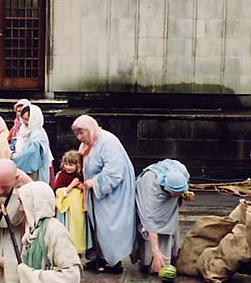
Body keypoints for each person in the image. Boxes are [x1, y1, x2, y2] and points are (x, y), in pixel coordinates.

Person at [72, 115, 136, 274]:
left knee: (110, 226)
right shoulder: (89, 144)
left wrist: (95, 182)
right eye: (77, 134)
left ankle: (113, 260)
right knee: (97, 225)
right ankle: (98, 257)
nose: (80, 138)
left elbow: (114, 172)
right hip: (96, 194)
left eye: (82, 133)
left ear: (90, 129)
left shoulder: (108, 142)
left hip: (112, 195)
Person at [135, 159, 193, 274]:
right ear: (167, 188)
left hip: (168, 186)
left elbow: (183, 187)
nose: (177, 196)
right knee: (151, 226)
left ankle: (171, 255)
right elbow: (151, 223)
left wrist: (185, 194)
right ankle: (149, 260)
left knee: (170, 220)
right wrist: (155, 251)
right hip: (148, 187)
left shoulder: (181, 171)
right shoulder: (150, 193)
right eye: (175, 194)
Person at [53, 150, 87, 254]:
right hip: (67, 211)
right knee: (67, 229)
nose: (68, 167)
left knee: (78, 229)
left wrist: (81, 187)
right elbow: (58, 192)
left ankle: (77, 249)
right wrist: (71, 186)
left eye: (71, 165)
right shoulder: (62, 176)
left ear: (78, 165)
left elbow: (83, 188)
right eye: (66, 164)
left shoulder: (80, 175)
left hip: (77, 210)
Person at [12, 104, 54, 183]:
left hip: (35, 173)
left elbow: (32, 154)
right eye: (23, 119)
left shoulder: (39, 134)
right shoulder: (22, 130)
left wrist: (14, 160)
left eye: (28, 120)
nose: (25, 122)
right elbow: (14, 142)